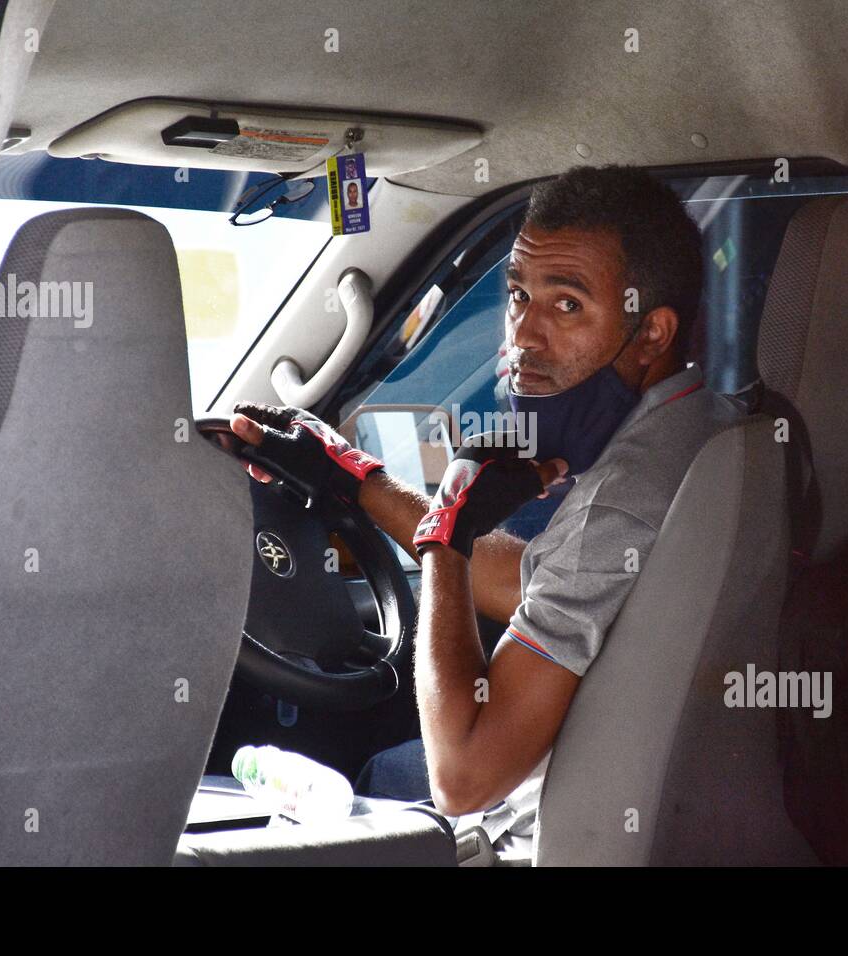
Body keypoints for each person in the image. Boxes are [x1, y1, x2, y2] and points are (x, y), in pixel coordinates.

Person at [227, 164, 743, 853]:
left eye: (567, 306)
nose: (524, 335)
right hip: (670, 814)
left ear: (651, 332)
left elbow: (464, 779)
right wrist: (360, 481)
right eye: (517, 295)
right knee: (383, 769)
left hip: (534, 836)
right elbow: (549, 578)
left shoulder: (621, 506)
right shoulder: (712, 433)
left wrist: (448, 538)